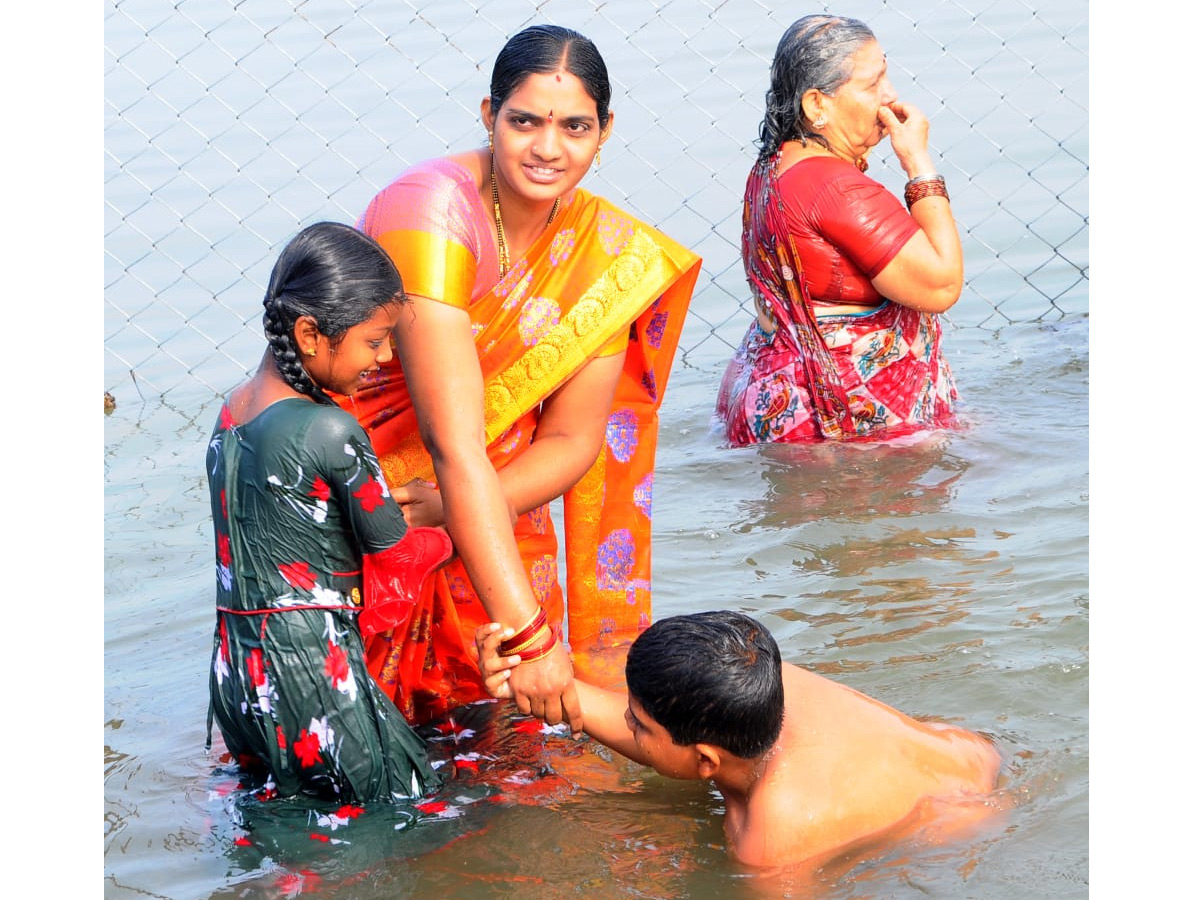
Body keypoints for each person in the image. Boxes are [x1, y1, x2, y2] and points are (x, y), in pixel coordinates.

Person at [340, 25, 702, 730]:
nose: (547, 148)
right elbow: (451, 442)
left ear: (605, 131)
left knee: (504, 734)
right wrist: (534, 640)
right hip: (373, 498)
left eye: (574, 126)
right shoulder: (431, 213)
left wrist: (454, 510)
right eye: (524, 121)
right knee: (365, 737)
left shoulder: (605, 255)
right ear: (488, 115)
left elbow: (570, 441)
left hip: (493, 506)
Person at [205, 221, 453, 802]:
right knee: (406, 803)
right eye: (374, 341)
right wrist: (450, 520)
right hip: (309, 671)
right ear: (311, 333)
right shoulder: (328, 427)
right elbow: (396, 558)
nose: (385, 357)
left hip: (234, 671)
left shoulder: (229, 416)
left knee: (285, 815)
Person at [476, 610, 1002, 869]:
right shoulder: (755, 680)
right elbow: (656, 728)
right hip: (961, 748)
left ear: (708, 760)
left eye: (639, 725)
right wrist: (530, 677)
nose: (627, 724)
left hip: (962, 814)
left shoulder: (770, 835)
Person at [715, 15, 962, 445]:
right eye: (872, 85)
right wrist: (918, 163)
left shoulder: (772, 169)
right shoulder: (833, 187)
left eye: (885, 76)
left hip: (778, 402)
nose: (890, 96)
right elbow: (941, 285)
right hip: (841, 427)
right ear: (816, 106)